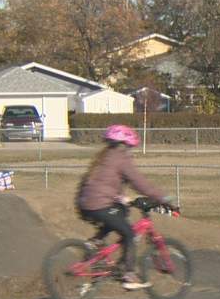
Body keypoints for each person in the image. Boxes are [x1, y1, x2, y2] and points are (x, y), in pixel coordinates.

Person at [75, 124, 176, 290]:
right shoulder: (121, 158)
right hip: (100, 203)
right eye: (130, 147)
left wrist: (121, 198)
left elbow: (103, 184)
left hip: (86, 203)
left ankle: (96, 241)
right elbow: (139, 182)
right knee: (129, 233)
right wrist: (162, 197)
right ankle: (128, 275)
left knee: (121, 211)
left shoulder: (104, 157)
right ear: (124, 145)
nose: (130, 151)